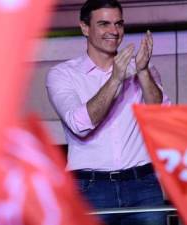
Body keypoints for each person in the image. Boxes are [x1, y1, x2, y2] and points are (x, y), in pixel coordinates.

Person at [46, 0, 169, 224]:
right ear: (85, 28)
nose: (114, 31)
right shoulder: (63, 74)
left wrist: (141, 71)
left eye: (118, 24)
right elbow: (80, 125)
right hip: (90, 188)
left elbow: (160, 116)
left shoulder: (143, 68)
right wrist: (115, 79)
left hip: (142, 183)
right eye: (104, 24)